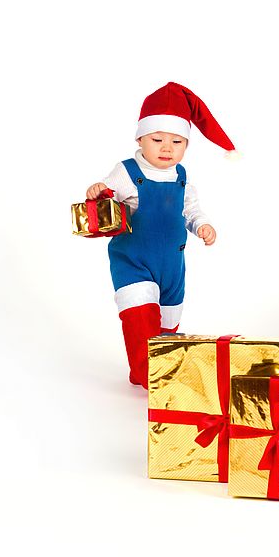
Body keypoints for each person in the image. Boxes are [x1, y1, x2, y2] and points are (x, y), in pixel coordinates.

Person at [86, 82, 237, 388]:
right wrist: (98, 192)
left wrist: (202, 225)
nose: (167, 148)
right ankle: (147, 376)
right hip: (134, 261)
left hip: (172, 267)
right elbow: (104, 198)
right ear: (140, 138)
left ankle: (160, 373)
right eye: (157, 139)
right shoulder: (127, 171)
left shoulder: (182, 177)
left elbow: (190, 210)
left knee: (167, 330)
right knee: (140, 319)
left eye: (177, 142)